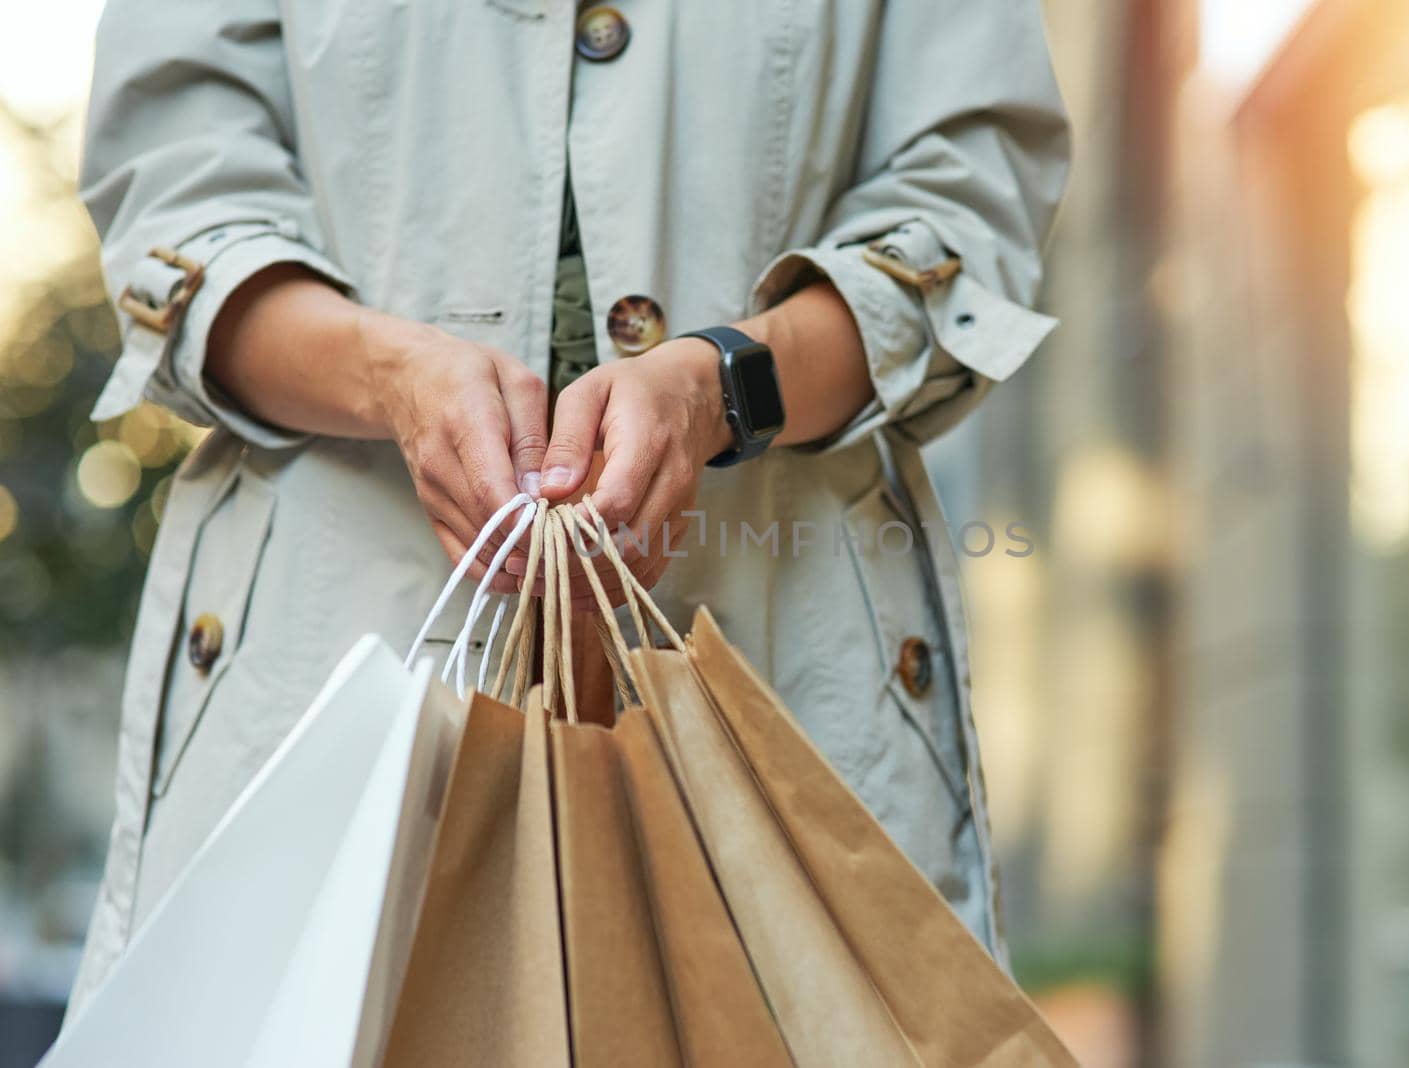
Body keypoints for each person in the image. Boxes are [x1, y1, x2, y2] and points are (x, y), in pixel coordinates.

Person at [68, 0, 1069, 1011]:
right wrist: (389, 376)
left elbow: (966, 206)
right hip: (326, 660)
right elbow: (177, 197)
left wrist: (723, 388)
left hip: (787, 656)